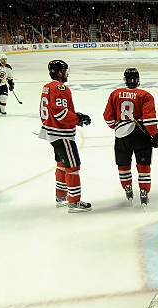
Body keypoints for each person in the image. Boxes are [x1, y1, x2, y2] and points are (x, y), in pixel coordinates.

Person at [103, 68, 158, 206]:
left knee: (123, 164)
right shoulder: (145, 95)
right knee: (143, 165)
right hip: (141, 134)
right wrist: (154, 135)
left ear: (125, 79)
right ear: (138, 80)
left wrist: (118, 127)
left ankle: (127, 187)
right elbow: (149, 120)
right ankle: (144, 191)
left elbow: (108, 117)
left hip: (121, 135)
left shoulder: (115, 94)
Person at [39, 60, 92, 213]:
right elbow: (60, 113)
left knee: (62, 165)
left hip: (52, 132)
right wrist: (78, 118)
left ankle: (61, 197)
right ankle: (74, 202)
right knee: (73, 166)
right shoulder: (61, 88)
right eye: (64, 71)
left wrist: (77, 116)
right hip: (61, 134)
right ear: (59, 72)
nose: (66, 73)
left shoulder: (47, 87)